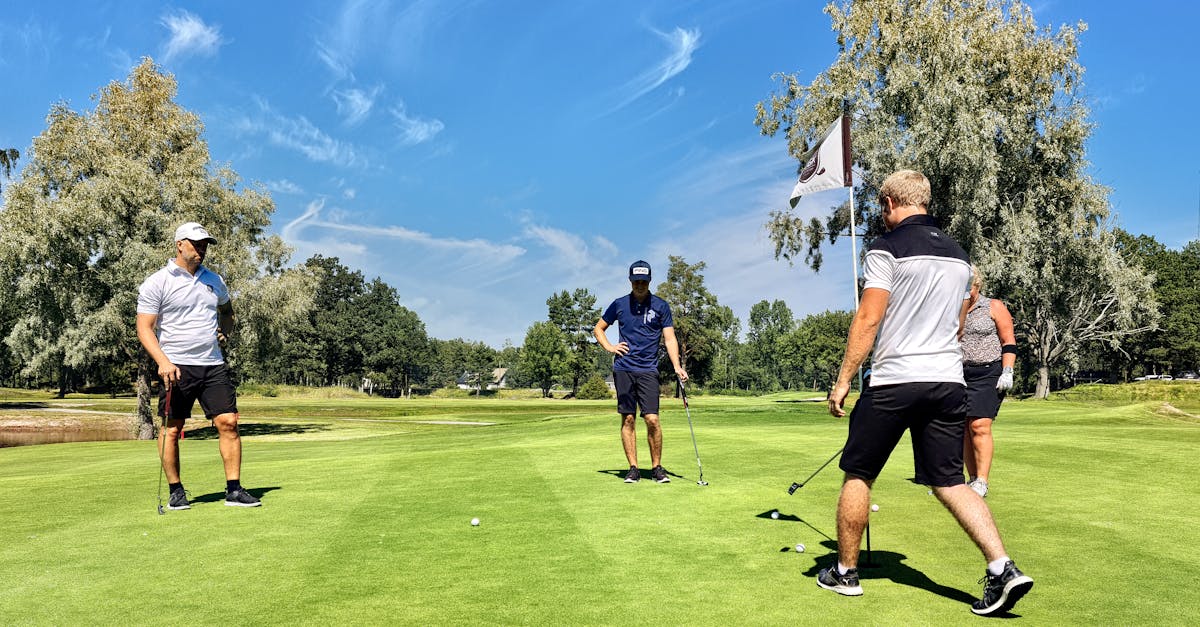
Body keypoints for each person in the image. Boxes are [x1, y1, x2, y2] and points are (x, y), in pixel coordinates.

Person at [820, 171, 1032, 616]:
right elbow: (957, 325)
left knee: (859, 473)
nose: (881, 213)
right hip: (948, 381)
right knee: (951, 481)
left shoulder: (885, 248)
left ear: (892, 201)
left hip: (896, 379)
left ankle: (845, 572)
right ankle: (1003, 568)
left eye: (882, 205)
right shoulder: (958, 256)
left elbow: (868, 319)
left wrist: (843, 379)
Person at [136, 222, 261, 509]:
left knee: (228, 422)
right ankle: (176, 490)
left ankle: (234, 489)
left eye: (205, 244)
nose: (202, 248)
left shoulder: (214, 280)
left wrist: (225, 331)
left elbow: (228, 313)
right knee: (171, 428)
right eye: (196, 243)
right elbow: (144, 328)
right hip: (176, 365)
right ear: (180, 244)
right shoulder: (158, 281)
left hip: (212, 364)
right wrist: (163, 361)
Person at [593, 260, 688, 484]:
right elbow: (598, 328)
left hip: (648, 370)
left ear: (649, 281)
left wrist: (676, 365)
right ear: (630, 280)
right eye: (636, 281)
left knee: (652, 419)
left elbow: (669, 338)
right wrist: (610, 347)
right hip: (624, 368)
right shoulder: (619, 305)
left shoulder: (661, 306)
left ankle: (656, 468)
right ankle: (633, 468)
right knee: (628, 419)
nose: (640, 285)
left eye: (643, 281)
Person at [960, 266, 1017, 498]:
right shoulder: (955, 309)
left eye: (969, 287)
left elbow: (1008, 341)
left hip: (989, 372)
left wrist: (1008, 370)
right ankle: (971, 479)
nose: (966, 292)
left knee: (979, 425)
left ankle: (982, 481)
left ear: (977, 285)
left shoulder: (993, 306)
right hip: (960, 373)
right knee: (963, 427)